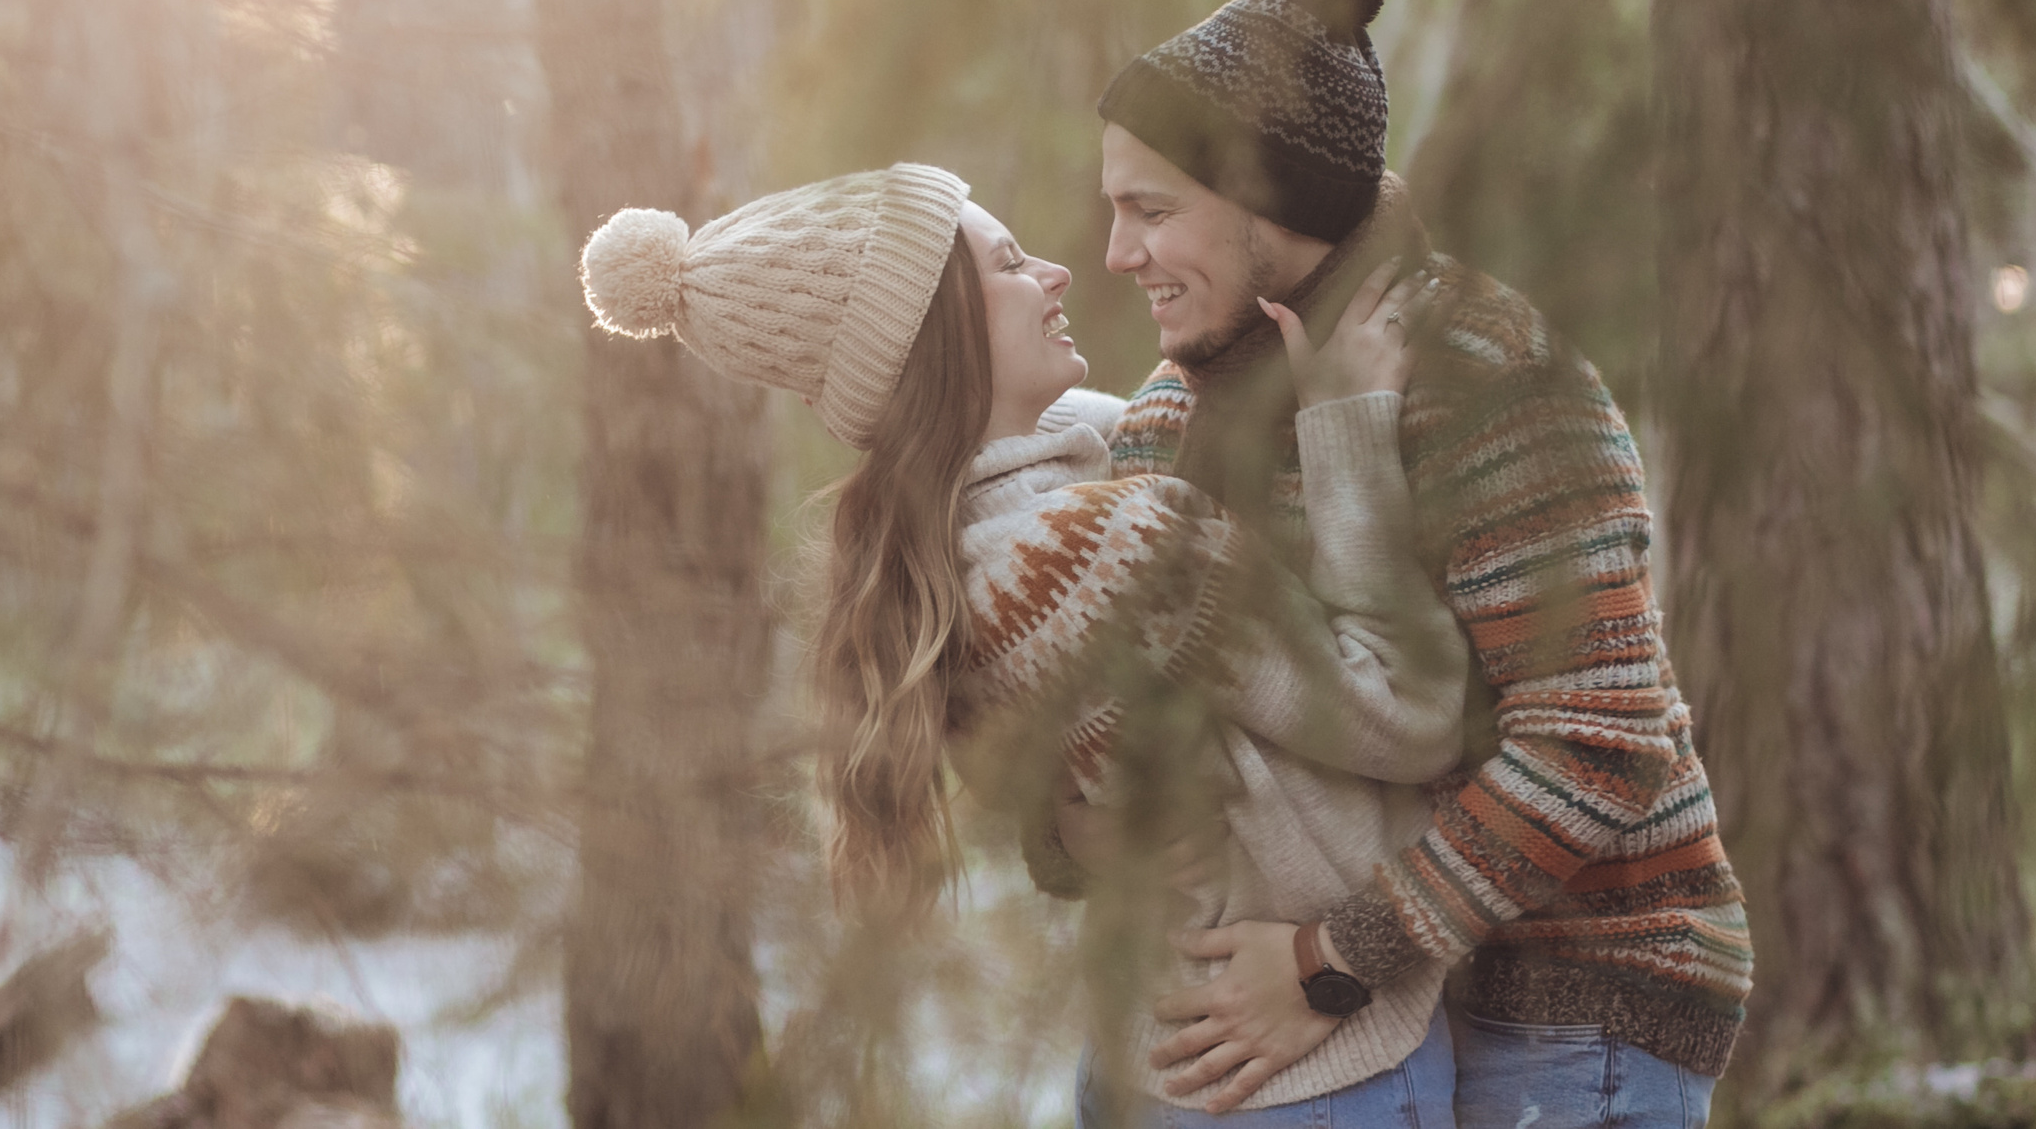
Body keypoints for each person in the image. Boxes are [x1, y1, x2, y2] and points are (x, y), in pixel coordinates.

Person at [576, 164, 1467, 1127]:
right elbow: (1409, 713)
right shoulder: (1093, 545)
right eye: (1008, 263)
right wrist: (1349, 424)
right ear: (941, 339)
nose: (1057, 272)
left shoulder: (955, 539)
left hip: (1156, 1063)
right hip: (1302, 1083)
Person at [1066, 0, 1753, 1127]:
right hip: (1343, 1022)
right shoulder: (1166, 415)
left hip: (1559, 1001)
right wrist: (1076, 820)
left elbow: (1594, 740)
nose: (1118, 253)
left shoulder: (1488, 381)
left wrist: (1330, 961)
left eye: (1152, 209)